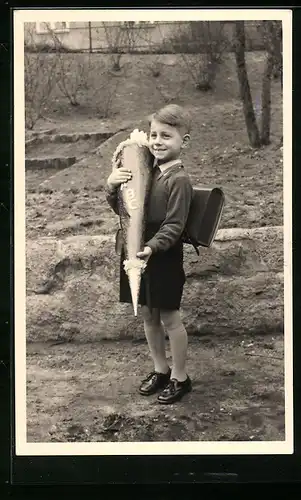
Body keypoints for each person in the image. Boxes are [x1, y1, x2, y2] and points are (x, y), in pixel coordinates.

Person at [106, 104, 193, 404]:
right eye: (154, 134)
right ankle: (161, 370)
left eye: (166, 136)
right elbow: (125, 210)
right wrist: (111, 186)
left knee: (169, 316)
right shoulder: (145, 169)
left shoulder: (178, 180)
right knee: (147, 313)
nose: (157, 141)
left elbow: (175, 225)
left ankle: (181, 377)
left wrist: (152, 247)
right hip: (137, 250)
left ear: (184, 141)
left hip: (162, 254)